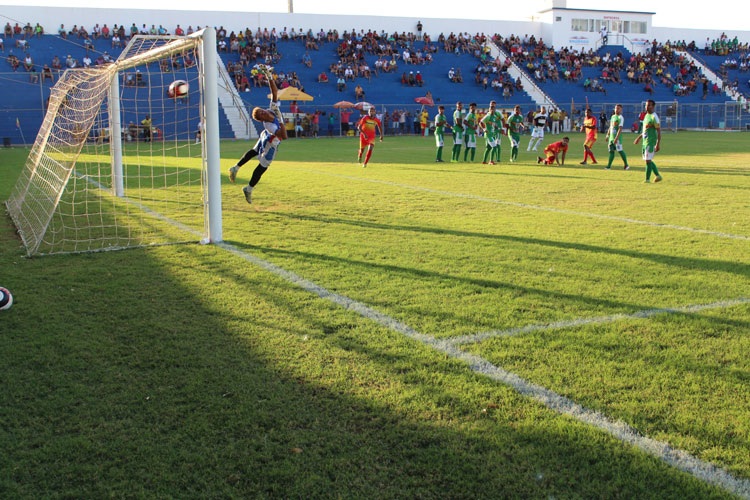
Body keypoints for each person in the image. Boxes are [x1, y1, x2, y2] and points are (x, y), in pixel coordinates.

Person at [228, 65, 288, 203]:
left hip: (265, 135)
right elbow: (284, 136)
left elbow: (274, 91)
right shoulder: (270, 125)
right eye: (262, 114)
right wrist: (281, 120)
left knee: (254, 151)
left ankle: (235, 167)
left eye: (262, 110)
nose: (264, 112)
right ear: (262, 119)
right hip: (271, 141)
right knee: (262, 167)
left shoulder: (272, 109)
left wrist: (268, 76)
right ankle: (248, 189)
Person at [633, 99, 662, 183]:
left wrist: (657, 144)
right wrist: (638, 138)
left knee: (648, 160)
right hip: (645, 141)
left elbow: (659, 131)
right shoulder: (646, 116)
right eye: (646, 105)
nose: (647, 106)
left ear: (653, 106)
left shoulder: (654, 117)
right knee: (647, 159)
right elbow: (645, 130)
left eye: (649, 105)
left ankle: (647, 179)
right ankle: (657, 175)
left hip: (651, 141)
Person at [605, 104, 629, 170]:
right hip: (611, 138)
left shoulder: (620, 118)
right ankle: (608, 166)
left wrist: (616, 138)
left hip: (617, 138)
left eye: (618, 108)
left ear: (621, 110)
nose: (616, 109)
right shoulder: (613, 117)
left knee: (620, 151)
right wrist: (607, 135)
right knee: (611, 151)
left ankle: (626, 165)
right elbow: (611, 127)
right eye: (616, 108)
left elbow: (620, 129)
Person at [480, 100, 503, 165]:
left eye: (493, 109)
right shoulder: (488, 116)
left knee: (488, 148)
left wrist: (495, 126)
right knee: (494, 147)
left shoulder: (494, 116)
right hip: (488, 135)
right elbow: (481, 122)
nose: (492, 111)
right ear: (489, 110)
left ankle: (484, 161)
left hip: (492, 134)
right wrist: (484, 129)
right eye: (491, 109)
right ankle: (491, 161)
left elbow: (493, 123)